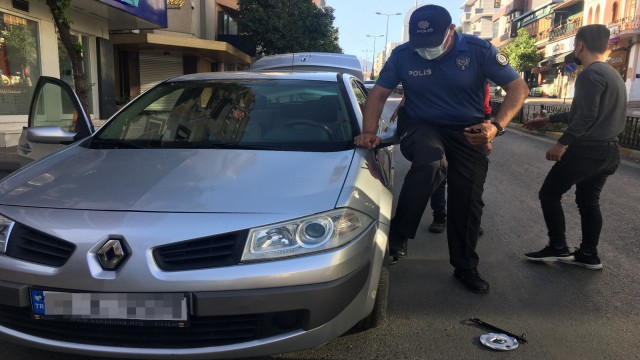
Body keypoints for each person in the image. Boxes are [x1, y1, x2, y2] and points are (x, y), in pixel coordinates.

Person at [354, 5, 529, 294]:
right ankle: (399, 235)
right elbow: (378, 94)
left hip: (468, 130)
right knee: (431, 161)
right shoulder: (402, 54)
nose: (425, 51)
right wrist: (369, 133)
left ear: (451, 31)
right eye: (419, 44)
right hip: (420, 125)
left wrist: (496, 126)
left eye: (432, 43)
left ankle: (465, 266)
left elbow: (518, 88)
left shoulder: (477, 49)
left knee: (468, 199)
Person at [523, 24, 626, 270]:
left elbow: (586, 117)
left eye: (574, 45)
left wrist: (562, 143)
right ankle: (589, 254)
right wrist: (548, 119)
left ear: (579, 45)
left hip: (587, 151)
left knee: (549, 194)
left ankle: (558, 247)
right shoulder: (613, 74)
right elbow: (582, 112)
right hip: (609, 152)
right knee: (588, 201)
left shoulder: (589, 74)